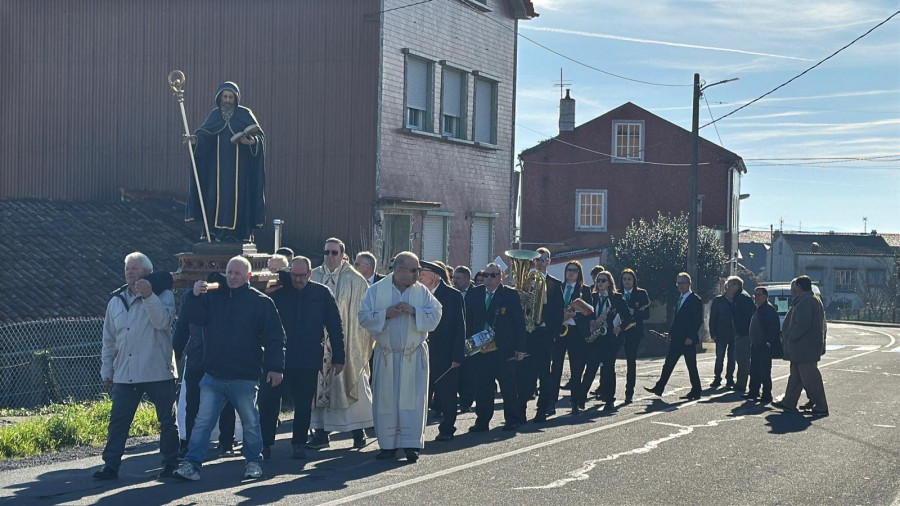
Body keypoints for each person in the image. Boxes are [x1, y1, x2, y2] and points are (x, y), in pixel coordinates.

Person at [173, 256, 285, 482]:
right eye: (230, 272)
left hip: (244, 375)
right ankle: (192, 464)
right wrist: (192, 295)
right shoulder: (211, 298)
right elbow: (192, 317)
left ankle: (254, 462)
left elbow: (275, 337)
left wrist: (275, 367)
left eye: (237, 273)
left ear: (248, 277)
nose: (232, 277)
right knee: (202, 422)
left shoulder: (261, 302)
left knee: (250, 422)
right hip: (213, 373)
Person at [93, 252, 179, 480]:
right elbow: (109, 340)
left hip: (157, 369)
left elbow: (162, 323)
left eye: (135, 268)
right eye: (127, 268)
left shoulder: (164, 295)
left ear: (148, 272)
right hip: (125, 371)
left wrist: (149, 295)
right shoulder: (116, 301)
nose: (130, 272)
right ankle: (110, 465)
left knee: (167, 421)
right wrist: (107, 370)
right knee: (118, 421)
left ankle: (170, 463)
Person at [359, 252, 442, 462]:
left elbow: (436, 315)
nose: (418, 274)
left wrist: (414, 311)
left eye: (418, 270)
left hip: (412, 356)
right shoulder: (377, 290)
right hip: (387, 355)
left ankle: (411, 444)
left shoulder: (421, 292)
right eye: (413, 270)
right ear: (399, 270)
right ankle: (388, 445)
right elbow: (363, 316)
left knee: (413, 400)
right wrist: (385, 314)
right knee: (386, 401)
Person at [260, 257, 345, 460]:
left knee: (303, 403)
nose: (298, 280)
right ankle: (265, 443)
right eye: (294, 275)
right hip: (278, 359)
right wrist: (266, 293)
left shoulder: (321, 294)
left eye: (302, 275)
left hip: (307, 357)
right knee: (269, 402)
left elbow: (335, 326)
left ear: (310, 274)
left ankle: (299, 442)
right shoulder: (278, 294)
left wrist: (339, 357)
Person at [309, 238, 374, 449]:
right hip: (317, 345)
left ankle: (358, 430)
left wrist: (353, 345)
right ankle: (320, 432)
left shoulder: (355, 280)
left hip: (345, 342)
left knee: (351, 382)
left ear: (342, 254)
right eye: (326, 252)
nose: (329, 256)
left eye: (334, 253)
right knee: (316, 384)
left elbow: (362, 316)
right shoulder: (315, 275)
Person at [184, 81, 266, 243]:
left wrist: (251, 142)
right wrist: (195, 140)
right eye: (225, 97)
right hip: (217, 170)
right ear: (219, 98)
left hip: (240, 171)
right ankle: (214, 232)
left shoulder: (244, 114)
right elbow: (204, 136)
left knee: (239, 200)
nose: (228, 100)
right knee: (213, 198)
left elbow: (259, 138)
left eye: (230, 97)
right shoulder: (215, 116)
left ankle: (240, 233)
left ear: (236, 99)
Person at [172, 272, 237, 459]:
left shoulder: (226, 297)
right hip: (196, 358)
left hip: (221, 359)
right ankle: (191, 444)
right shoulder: (190, 298)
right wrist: (174, 355)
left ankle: (226, 441)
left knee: (226, 402)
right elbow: (182, 328)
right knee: (193, 404)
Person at [464, 263, 527, 432]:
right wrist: (467, 345)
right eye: (486, 275)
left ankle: (512, 419)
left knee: (507, 387)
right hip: (479, 349)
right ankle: (482, 421)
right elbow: (468, 321)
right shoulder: (474, 293)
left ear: (501, 277)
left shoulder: (510, 294)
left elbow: (519, 323)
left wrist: (520, 348)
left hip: (502, 349)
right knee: (482, 387)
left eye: (493, 275)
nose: (489, 279)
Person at [417, 261, 465, 440]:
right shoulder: (418, 293)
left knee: (447, 395)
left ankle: (447, 428)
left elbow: (460, 327)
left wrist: (457, 356)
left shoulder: (452, 295)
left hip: (445, 354)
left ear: (434, 276)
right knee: (422, 395)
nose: (419, 275)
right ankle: (417, 433)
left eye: (423, 272)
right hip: (421, 352)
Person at [518, 248, 565, 424]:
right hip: (528, 333)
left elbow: (558, 311)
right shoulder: (526, 282)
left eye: (543, 260)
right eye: (537, 260)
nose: (539, 263)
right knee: (524, 373)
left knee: (544, 374)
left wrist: (553, 334)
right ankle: (520, 411)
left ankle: (541, 410)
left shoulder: (554, 283)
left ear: (549, 262)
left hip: (545, 333)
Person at [773, 276, 829, 416]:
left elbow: (802, 324)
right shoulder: (810, 299)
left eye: (794, 287)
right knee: (796, 376)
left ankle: (821, 405)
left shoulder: (806, 301)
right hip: (803, 346)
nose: (793, 290)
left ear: (798, 287)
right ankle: (789, 402)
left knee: (810, 377)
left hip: (804, 346)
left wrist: (791, 336)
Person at [644, 272, 703, 401]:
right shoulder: (680, 299)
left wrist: (691, 337)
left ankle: (696, 390)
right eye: (678, 283)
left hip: (687, 339)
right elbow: (677, 321)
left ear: (689, 283)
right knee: (668, 364)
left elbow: (697, 321)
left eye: (683, 283)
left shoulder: (695, 300)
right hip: (677, 338)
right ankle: (659, 387)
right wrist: (670, 334)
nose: (680, 286)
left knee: (691, 366)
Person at [548, 261, 592, 417]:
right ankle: (551, 402)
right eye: (568, 270)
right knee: (556, 369)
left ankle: (575, 402)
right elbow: (551, 309)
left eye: (574, 271)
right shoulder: (558, 287)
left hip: (575, 332)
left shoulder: (584, 290)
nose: (570, 273)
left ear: (579, 273)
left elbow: (589, 312)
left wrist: (576, 314)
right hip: (560, 331)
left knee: (576, 369)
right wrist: (561, 315)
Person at [586, 270, 632, 412]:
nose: (600, 283)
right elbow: (586, 315)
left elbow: (628, 318)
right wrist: (590, 322)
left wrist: (620, 328)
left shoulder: (617, 298)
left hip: (611, 338)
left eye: (603, 280)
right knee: (591, 367)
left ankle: (609, 399)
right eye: (598, 281)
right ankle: (580, 399)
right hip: (595, 337)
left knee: (608, 368)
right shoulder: (591, 297)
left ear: (609, 283)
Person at [618, 269, 651, 403]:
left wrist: (634, 311)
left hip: (633, 331)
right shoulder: (617, 294)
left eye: (629, 279)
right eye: (624, 279)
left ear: (634, 281)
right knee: (608, 360)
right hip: (618, 330)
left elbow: (646, 314)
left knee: (631, 361)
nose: (627, 281)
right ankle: (605, 390)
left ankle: (629, 392)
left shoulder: (641, 294)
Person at [746, 286, 779, 404]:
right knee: (754, 370)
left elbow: (774, 328)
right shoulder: (757, 308)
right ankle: (753, 392)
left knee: (764, 371)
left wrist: (768, 342)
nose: (756, 297)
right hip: (755, 344)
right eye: (755, 295)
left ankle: (766, 394)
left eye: (759, 295)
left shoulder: (768, 309)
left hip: (764, 346)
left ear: (765, 296)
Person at [728, 277, 755, 394]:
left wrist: (742, 332)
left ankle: (741, 384)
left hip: (743, 333)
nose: (728, 288)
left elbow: (747, 316)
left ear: (736, 285)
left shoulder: (742, 298)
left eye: (730, 285)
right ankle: (740, 382)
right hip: (740, 333)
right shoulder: (739, 297)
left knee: (743, 359)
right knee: (740, 358)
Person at [709, 280, 737, 389]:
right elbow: (713, 318)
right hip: (721, 333)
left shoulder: (738, 301)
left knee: (732, 357)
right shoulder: (718, 301)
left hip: (734, 334)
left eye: (734, 286)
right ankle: (717, 378)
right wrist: (713, 333)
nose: (731, 288)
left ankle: (730, 378)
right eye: (730, 286)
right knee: (719, 357)